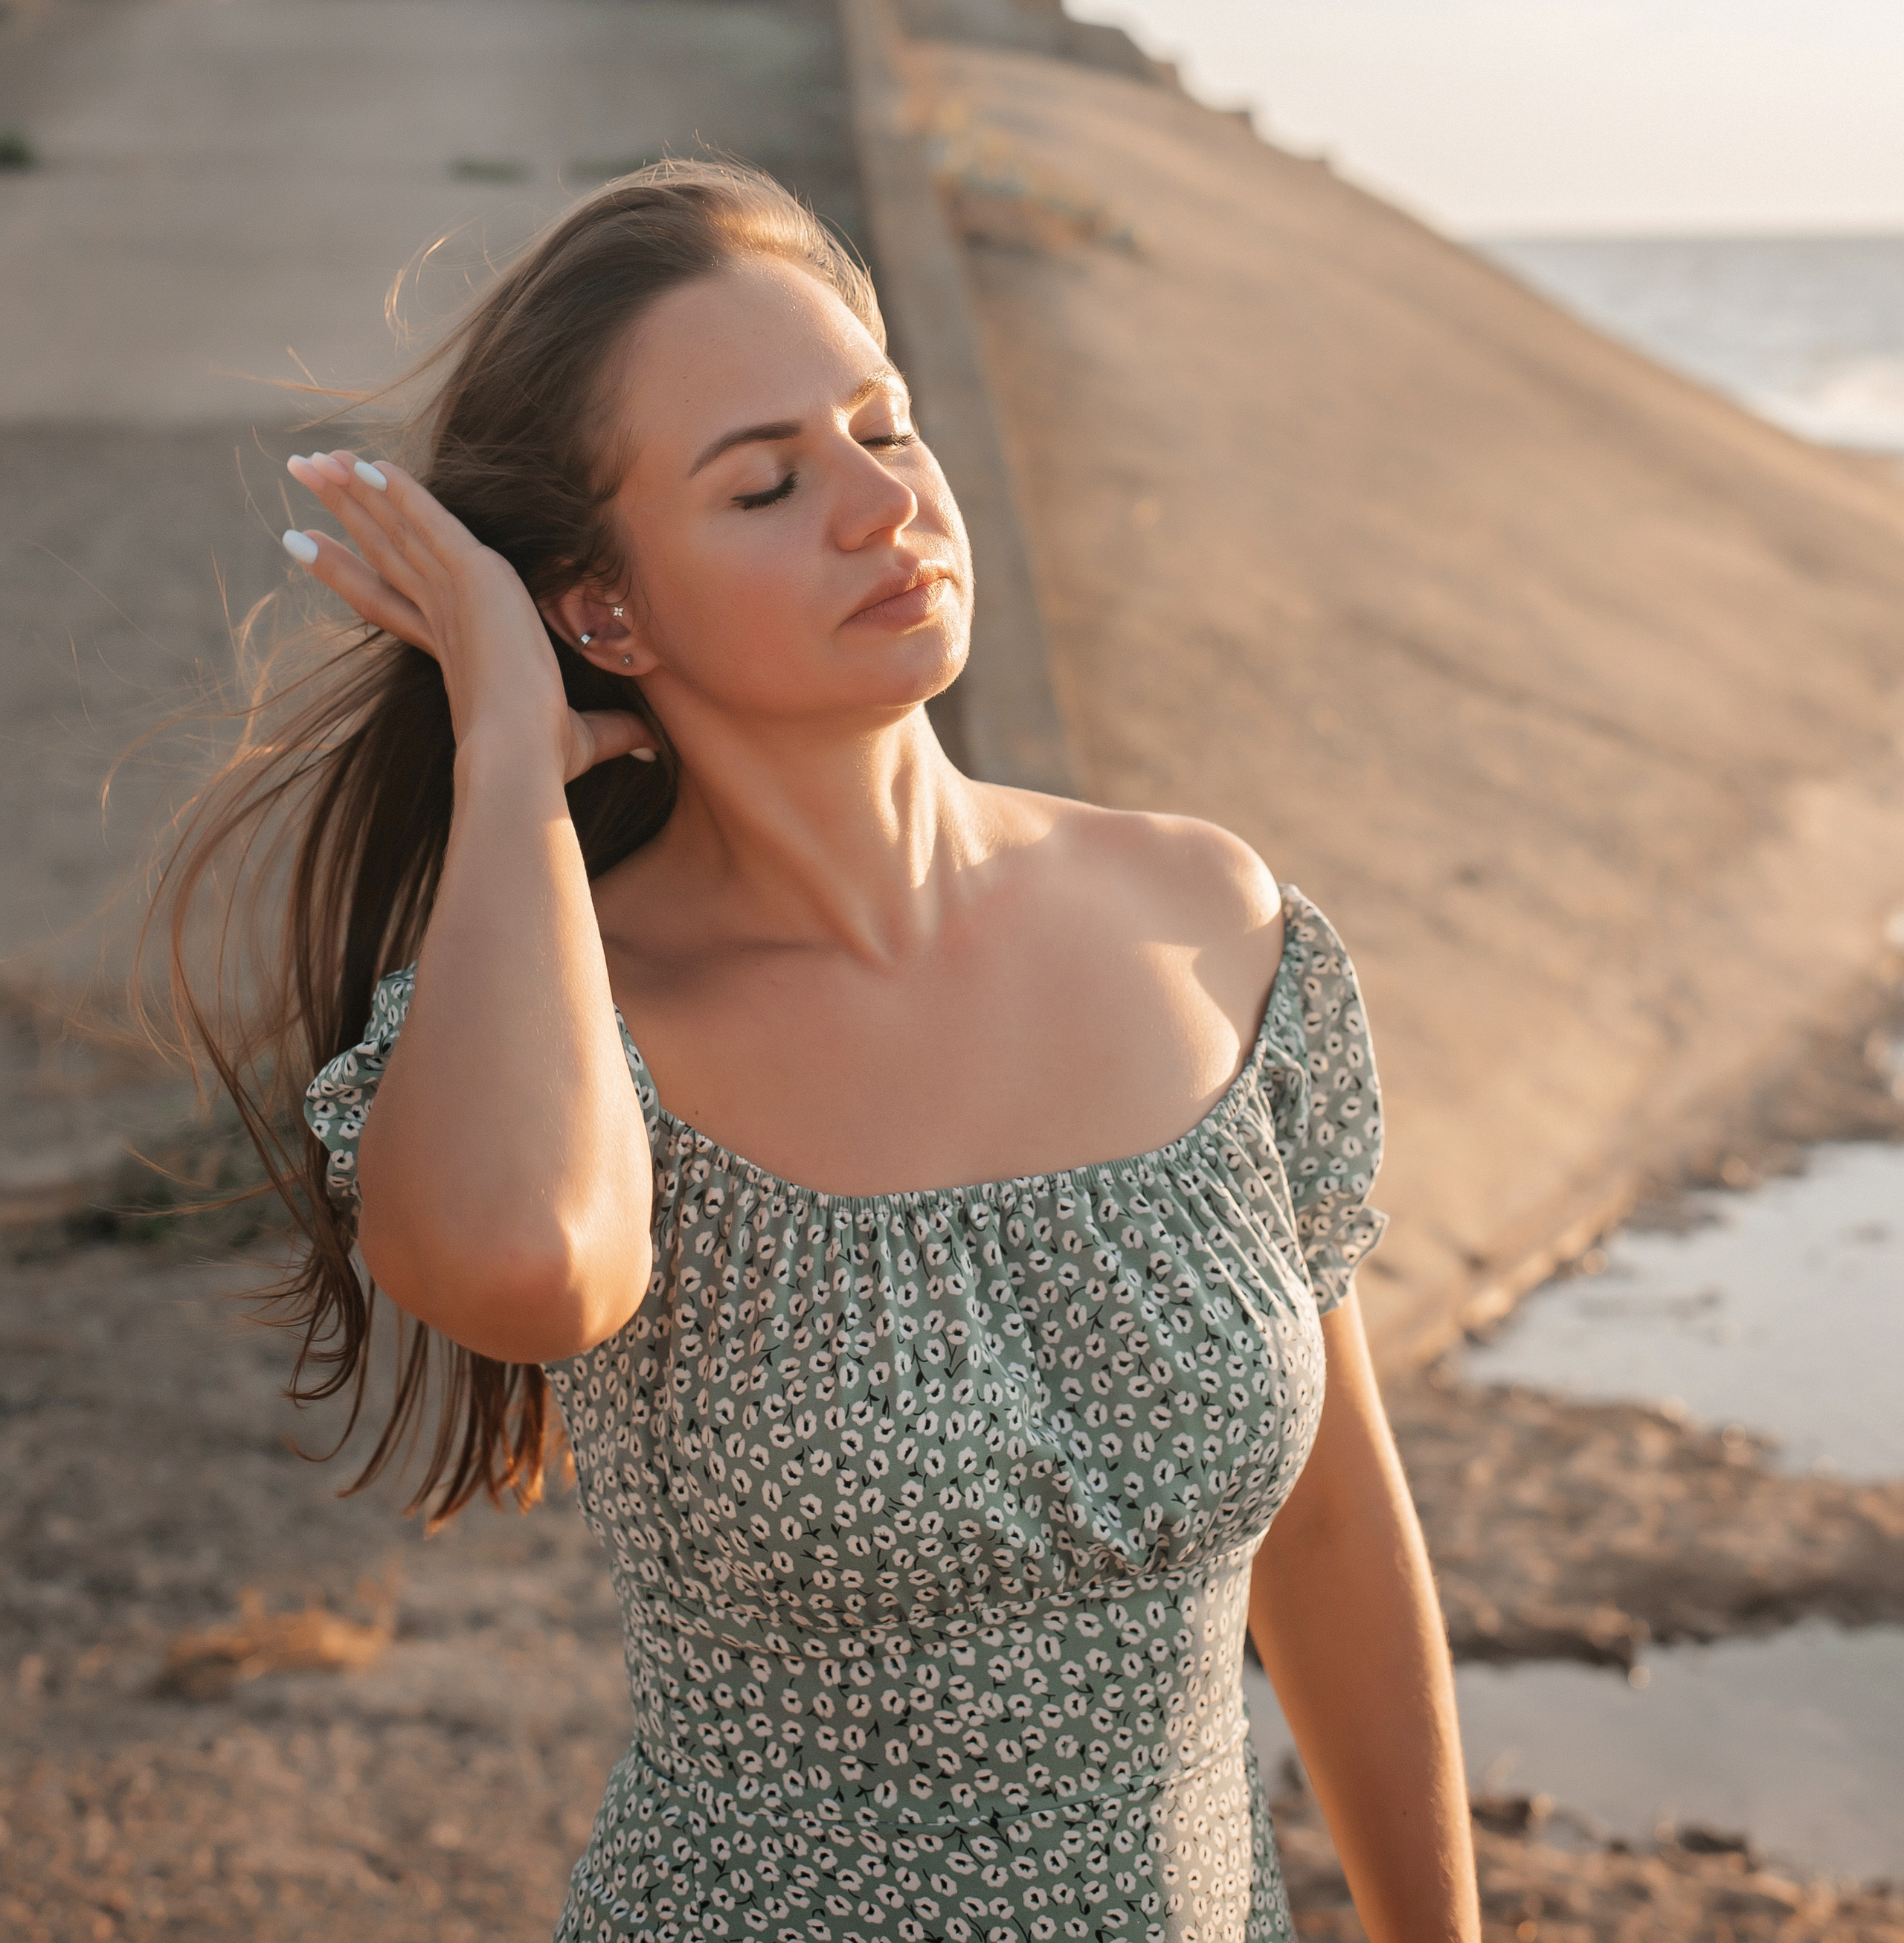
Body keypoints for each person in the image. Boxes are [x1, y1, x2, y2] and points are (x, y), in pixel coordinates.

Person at [163, 162, 1479, 1943]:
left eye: (884, 426)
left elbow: (1329, 1538)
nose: (882, 504)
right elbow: (522, 1268)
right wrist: (505, 749)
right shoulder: (568, 1021)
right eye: (766, 483)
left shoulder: (1208, 918)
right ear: (605, 612)